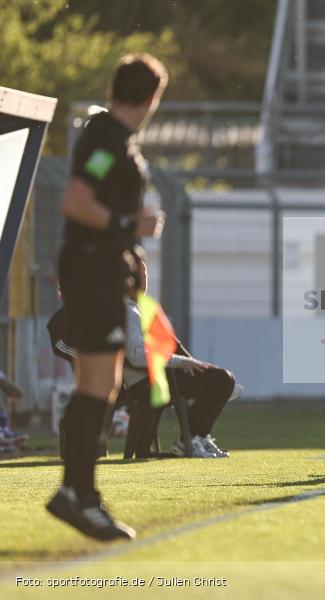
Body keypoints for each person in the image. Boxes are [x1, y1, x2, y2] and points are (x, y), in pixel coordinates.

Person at [45, 54, 168, 542]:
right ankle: (76, 493)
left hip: (102, 269)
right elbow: (76, 199)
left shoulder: (113, 138)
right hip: (91, 268)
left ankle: (79, 491)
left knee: (105, 381)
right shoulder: (106, 138)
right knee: (98, 382)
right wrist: (127, 227)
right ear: (151, 98)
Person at [123, 255, 235, 458]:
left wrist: (191, 363)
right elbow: (136, 356)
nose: (145, 279)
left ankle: (197, 438)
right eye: (140, 274)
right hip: (145, 382)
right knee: (221, 381)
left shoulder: (140, 308)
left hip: (157, 375)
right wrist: (180, 362)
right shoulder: (128, 311)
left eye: (146, 273)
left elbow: (168, 344)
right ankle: (190, 440)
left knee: (221, 379)